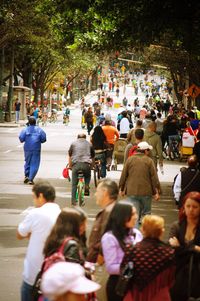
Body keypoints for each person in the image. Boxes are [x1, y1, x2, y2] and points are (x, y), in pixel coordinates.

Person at [17, 180, 61, 301]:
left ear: (41, 196)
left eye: (34, 197)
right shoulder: (61, 214)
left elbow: (20, 234)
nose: (34, 200)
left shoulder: (35, 213)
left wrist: (32, 233)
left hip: (33, 275)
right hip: (54, 275)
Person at [122, 215, 175, 301]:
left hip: (135, 295)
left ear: (142, 230)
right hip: (160, 296)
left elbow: (124, 275)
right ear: (161, 231)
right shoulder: (169, 253)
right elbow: (171, 280)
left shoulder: (132, 251)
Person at [101, 201, 143, 301]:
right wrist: (133, 267)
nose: (136, 217)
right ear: (122, 216)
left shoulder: (137, 233)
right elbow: (111, 267)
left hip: (137, 284)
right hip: (119, 285)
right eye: (132, 214)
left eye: (136, 213)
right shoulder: (110, 237)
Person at [87, 179, 119, 301]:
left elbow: (109, 237)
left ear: (105, 192)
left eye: (98, 191)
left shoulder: (111, 212)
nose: (95, 194)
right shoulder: (109, 210)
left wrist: (99, 259)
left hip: (103, 266)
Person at [119, 141, 160, 227]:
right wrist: (156, 191)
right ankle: (146, 233)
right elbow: (154, 178)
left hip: (131, 191)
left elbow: (123, 175)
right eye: (148, 150)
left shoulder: (129, 160)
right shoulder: (149, 161)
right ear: (145, 150)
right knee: (146, 214)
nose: (148, 152)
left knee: (134, 215)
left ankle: (135, 234)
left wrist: (121, 189)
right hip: (146, 192)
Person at [169, 191, 200, 301]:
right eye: (188, 206)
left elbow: (178, 249)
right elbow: (173, 251)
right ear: (183, 207)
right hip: (178, 276)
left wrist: (181, 248)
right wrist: (194, 248)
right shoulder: (176, 226)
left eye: (195, 207)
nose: (191, 210)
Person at [68, 133, 95, 206]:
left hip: (76, 165)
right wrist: (92, 166)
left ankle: (73, 201)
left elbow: (70, 155)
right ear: (85, 138)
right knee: (88, 175)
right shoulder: (89, 144)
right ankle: (86, 185)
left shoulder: (73, 144)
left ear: (77, 138)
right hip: (86, 165)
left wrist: (70, 166)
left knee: (74, 184)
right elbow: (92, 156)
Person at [19, 116, 46, 185]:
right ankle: (31, 179)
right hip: (36, 149)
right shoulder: (39, 130)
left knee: (27, 162)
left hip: (27, 149)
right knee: (35, 163)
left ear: (29, 122)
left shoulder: (25, 130)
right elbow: (43, 139)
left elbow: (21, 139)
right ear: (35, 122)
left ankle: (26, 175)